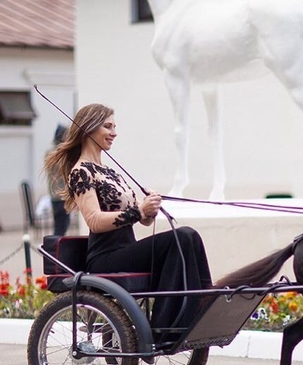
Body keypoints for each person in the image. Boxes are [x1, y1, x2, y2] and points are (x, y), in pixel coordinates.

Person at [43, 103, 213, 334]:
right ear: (89, 129)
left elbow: (142, 220)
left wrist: (148, 210)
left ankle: (203, 306)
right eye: (107, 126)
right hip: (106, 258)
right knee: (182, 237)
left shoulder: (111, 172)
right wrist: (138, 211)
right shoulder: (81, 172)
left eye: (115, 126)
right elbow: (94, 220)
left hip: (126, 251)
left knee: (190, 236)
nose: (114, 132)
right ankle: (164, 326)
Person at [46, 124, 71, 235]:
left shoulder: (50, 152)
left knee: (60, 224)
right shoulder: (59, 154)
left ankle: (55, 249)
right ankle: (55, 250)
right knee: (61, 227)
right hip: (60, 196)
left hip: (55, 195)